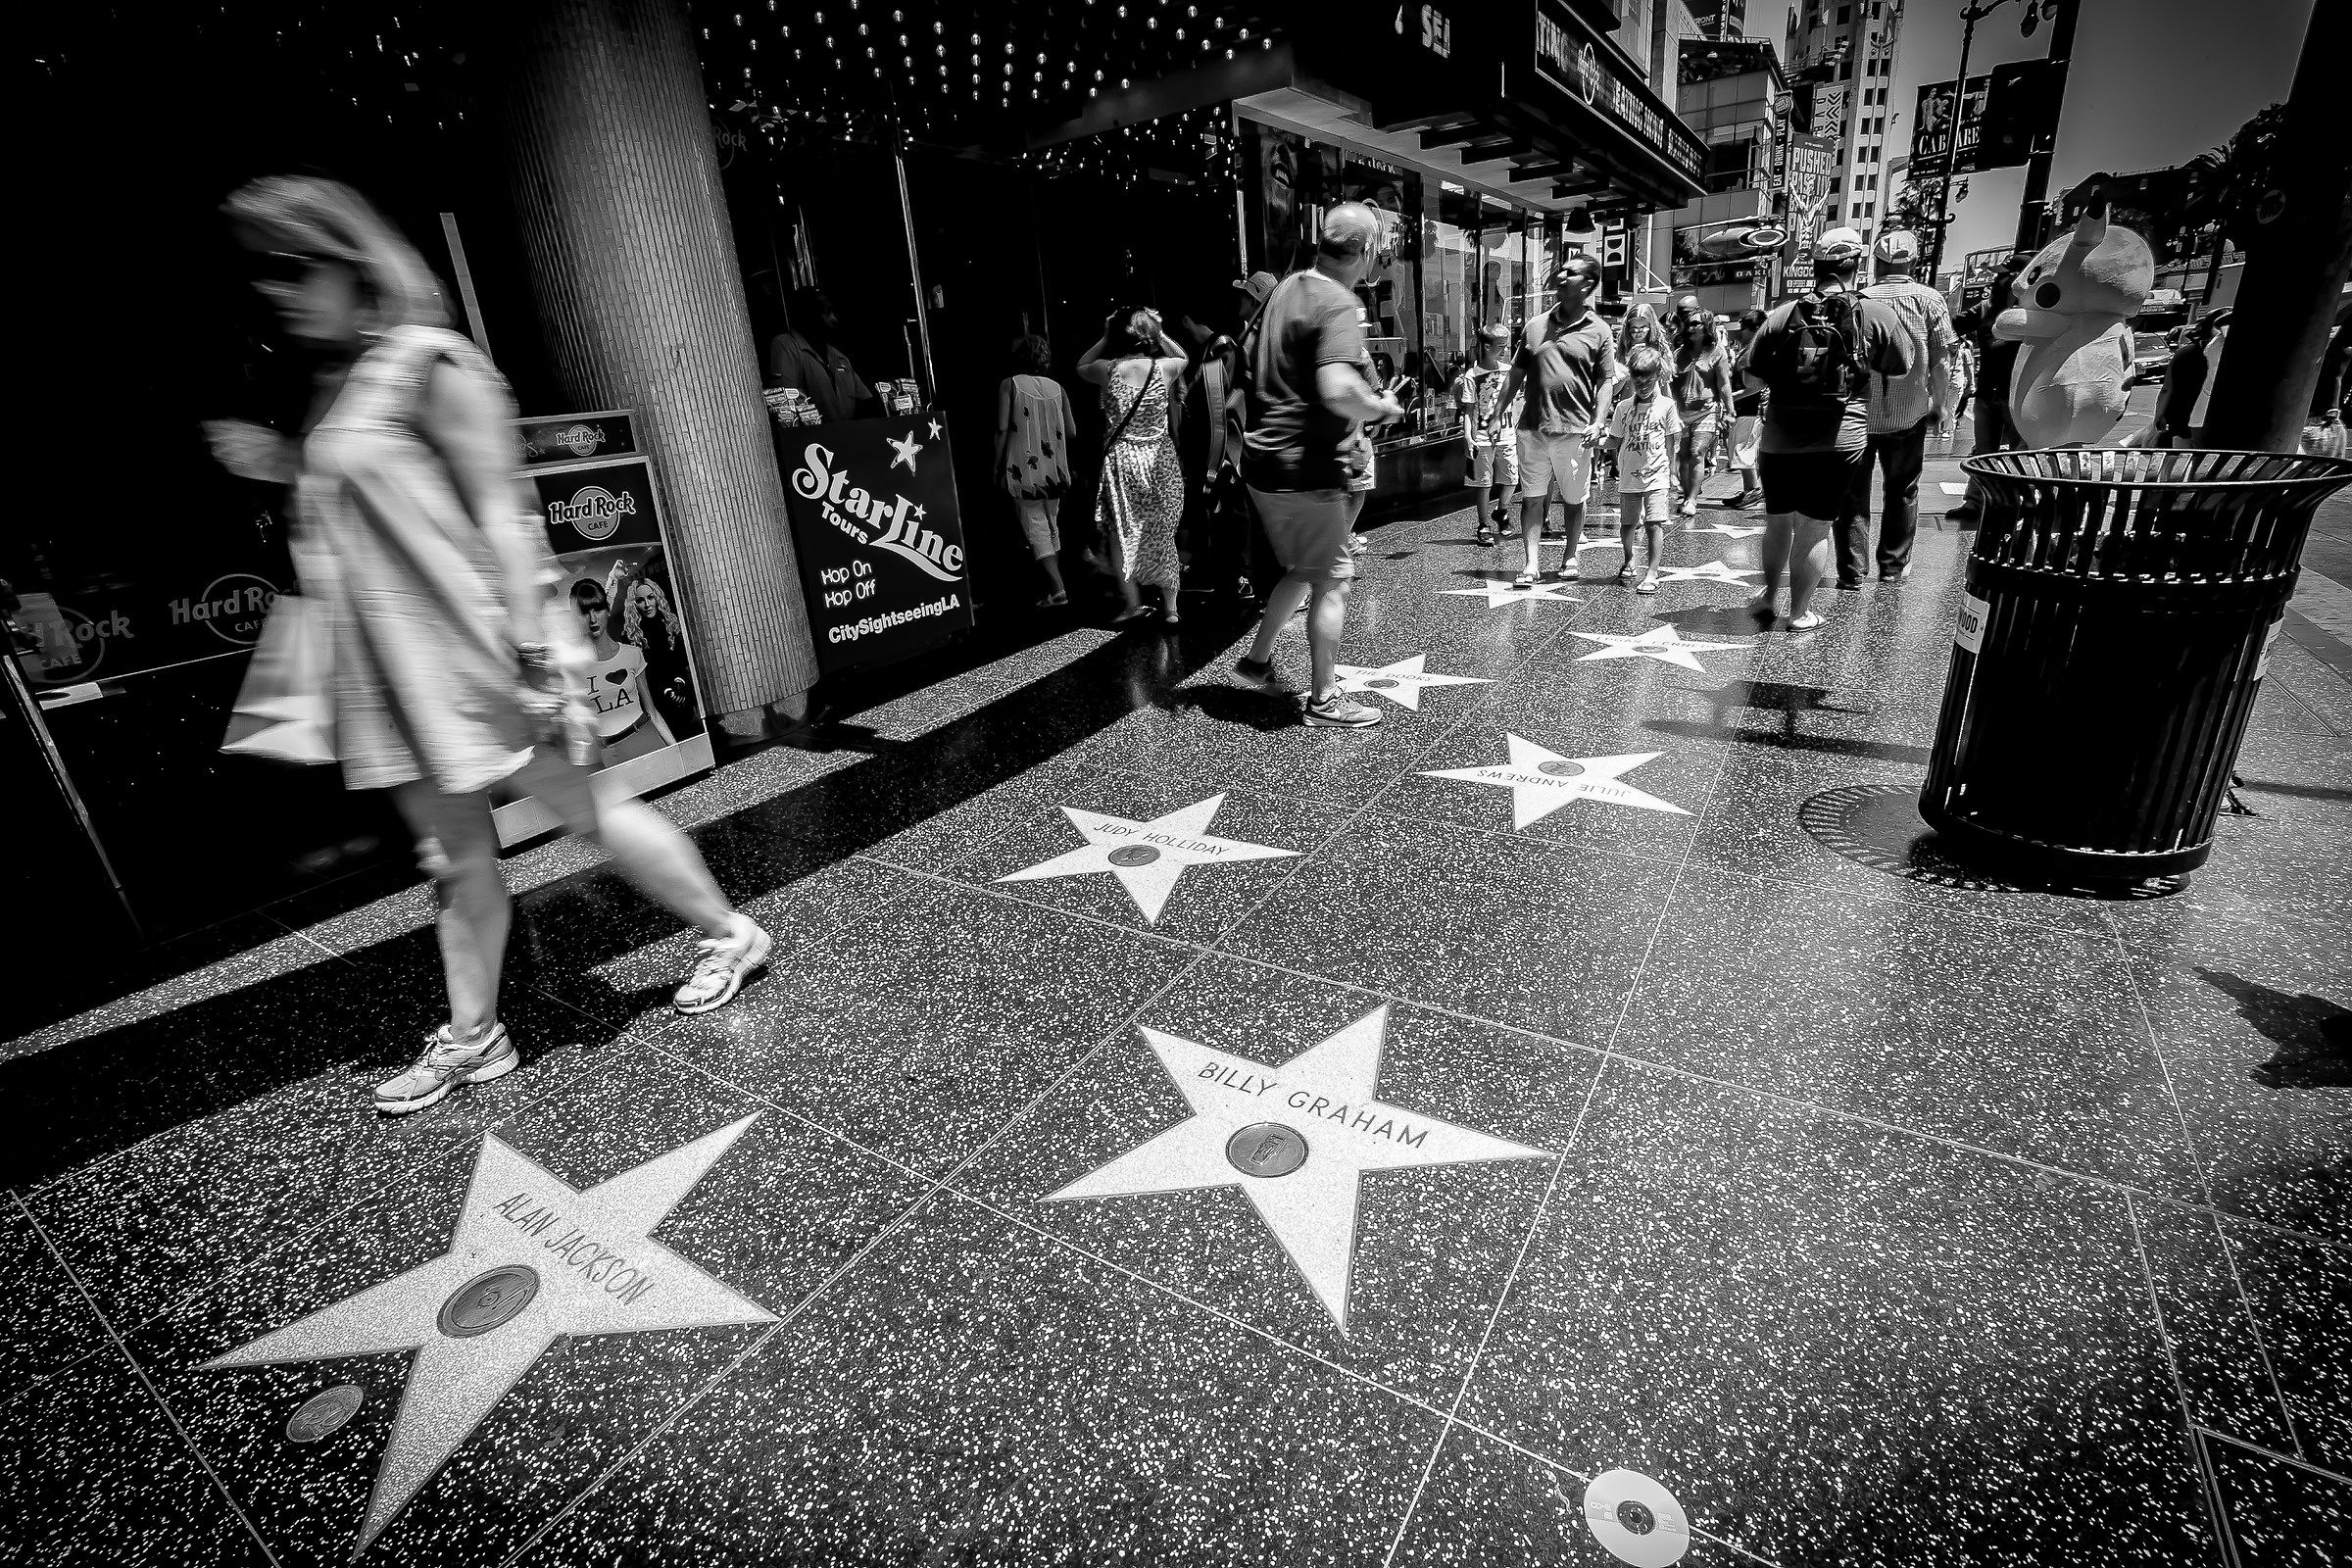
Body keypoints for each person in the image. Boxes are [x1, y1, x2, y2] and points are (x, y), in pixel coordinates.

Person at [205, 175, 770, 1116]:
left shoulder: (431, 363)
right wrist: (283, 464)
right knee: (451, 859)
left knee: (586, 805)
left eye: (295, 267)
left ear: (356, 267)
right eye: (265, 273)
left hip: (474, 655)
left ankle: (728, 933)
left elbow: (509, 518)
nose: (278, 289)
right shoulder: (327, 388)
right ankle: (476, 1037)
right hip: (389, 671)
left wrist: (548, 658)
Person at [1231, 201, 1403, 728]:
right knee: (1333, 581)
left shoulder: (1286, 287)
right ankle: (1324, 699)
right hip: (1307, 467)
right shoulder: (1337, 302)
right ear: (1368, 249)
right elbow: (1336, 389)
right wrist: (1382, 406)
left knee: (1304, 571)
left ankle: (1256, 663)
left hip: (1264, 465)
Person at [1740, 226, 1911, 631]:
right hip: (1839, 440)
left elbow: (1750, 379)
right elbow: (1902, 364)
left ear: (1815, 266)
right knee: (1816, 526)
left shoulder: (1783, 315)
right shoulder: (1874, 314)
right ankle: (1799, 613)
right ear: (1856, 265)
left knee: (1778, 519)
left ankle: (1768, 595)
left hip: (1780, 440)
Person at [1490, 255, 1617, 589]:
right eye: (1561, 269)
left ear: (1587, 285)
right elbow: (1515, 373)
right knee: (1532, 497)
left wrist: (1599, 420)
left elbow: (1606, 380)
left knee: (1574, 498)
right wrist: (1496, 412)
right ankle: (1530, 563)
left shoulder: (1600, 330)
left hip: (1575, 429)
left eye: (1570, 272)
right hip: (1532, 427)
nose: (1561, 275)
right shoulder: (1535, 325)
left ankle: (1570, 555)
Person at [1850, 230, 1957, 584]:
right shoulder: (1930, 299)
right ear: (1913, 261)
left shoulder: (1857, 299)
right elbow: (1941, 361)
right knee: (1902, 490)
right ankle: (1893, 568)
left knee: (1853, 493)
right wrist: (1940, 405)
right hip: (1908, 411)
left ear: (1876, 263)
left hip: (1858, 414)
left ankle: (1852, 569)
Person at [1077, 307, 1191, 625]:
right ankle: (1171, 610)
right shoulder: (1165, 368)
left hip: (1123, 459)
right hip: (1159, 460)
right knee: (1163, 533)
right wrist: (1161, 329)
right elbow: (1183, 357)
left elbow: (1080, 365)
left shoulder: (1106, 369)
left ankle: (1133, 604)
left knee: (1121, 533)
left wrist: (1103, 334)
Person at [1947, 252, 2032, 524]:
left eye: (2006, 275)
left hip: (2018, 394)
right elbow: (1953, 325)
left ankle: (2017, 505)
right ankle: (1975, 502)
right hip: (1988, 393)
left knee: (2022, 453)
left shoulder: (2035, 312)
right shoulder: (1986, 308)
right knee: (1984, 452)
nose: (2000, 280)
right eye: (2000, 275)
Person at [995, 335, 1074, 608]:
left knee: (1035, 525)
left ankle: (1057, 588)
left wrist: (996, 466)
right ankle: (1055, 587)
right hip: (1055, 468)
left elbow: (1002, 429)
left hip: (1023, 469)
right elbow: (1072, 430)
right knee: (1052, 523)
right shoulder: (1058, 388)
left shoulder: (1010, 385)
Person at [568, 578, 676, 762]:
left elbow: (652, 712)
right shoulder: (574, 667)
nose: (593, 619)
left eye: (598, 610)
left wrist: (678, 753)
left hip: (646, 738)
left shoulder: (631, 654)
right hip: (610, 754)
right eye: (585, 613)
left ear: (607, 610)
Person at [1603, 346, 1681, 595]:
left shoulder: (1667, 406)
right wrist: (1596, 440)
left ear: (1658, 374)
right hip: (1630, 475)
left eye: (1648, 376)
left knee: (1653, 523)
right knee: (1628, 524)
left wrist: (1672, 472)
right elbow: (1615, 439)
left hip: (1657, 473)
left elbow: (1671, 440)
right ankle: (1628, 558)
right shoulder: (1623, 407)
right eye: (1637, 376)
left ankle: (1652, 571)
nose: (1642, 382)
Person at [611, 566, 698, 741]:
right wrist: (666, 690)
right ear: (633, 603)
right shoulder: (630, 635)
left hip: (682, 692)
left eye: (650, 598)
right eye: (640, 600)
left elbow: (682, 661)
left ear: (657, 598)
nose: (647, 604)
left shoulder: (671, 624)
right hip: (656, 702)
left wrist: (680, 683)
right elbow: (641, 675)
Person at [1455, 321, 1521, 546]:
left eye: (1506, 345)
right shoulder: (1472, 376)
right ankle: (1483, 523)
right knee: (1483, 483)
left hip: (1507, 434)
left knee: (1511, 477)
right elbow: (1468, 410)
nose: (1504, 350)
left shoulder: (1510, 372)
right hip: (1482, 436)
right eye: (1500, 346)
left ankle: (1501, 511)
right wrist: (1468, 436)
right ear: (1485, 346)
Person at [767, 288, 873, 422]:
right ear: (810, 315)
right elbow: (786, 408)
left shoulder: (839, 357)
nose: (834, 319)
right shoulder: (786, 345)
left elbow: (865, 400)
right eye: (827, 312)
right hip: (813, 441)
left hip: (848, 438)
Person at [1670, 311, 1736, 519]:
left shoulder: (1717, 352)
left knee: (1697, 453)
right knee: (1683, 457)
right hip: (1681, 412)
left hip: (1707, 410)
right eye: (1688, 324)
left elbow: (1724, 383)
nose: (1691, 327)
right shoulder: (1679, 353)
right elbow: (1670, 383)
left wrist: (1729, 410)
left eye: (1696, 323)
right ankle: (1687, 494)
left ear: (1706, 326)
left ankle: (1692, 499)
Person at [2149, 314, 2217, 449]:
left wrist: (2159, 416)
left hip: (2181, 416)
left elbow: (2167, 388)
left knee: (2180, 454)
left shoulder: (2184, 353)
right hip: (2207, 417)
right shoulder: (2217, 353)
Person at [1724, 308, 1767, 508]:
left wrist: (1730, 397)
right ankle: (1749, 490)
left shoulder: (1755, 351)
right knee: (1741, 452)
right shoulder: (1750, 349)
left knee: (1744, 452)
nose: (1741, 333)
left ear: (1756, 329)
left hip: (1750, 410)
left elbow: (1756, 386)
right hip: (1745, 411)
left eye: (1745, 329)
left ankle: (1752, 491)